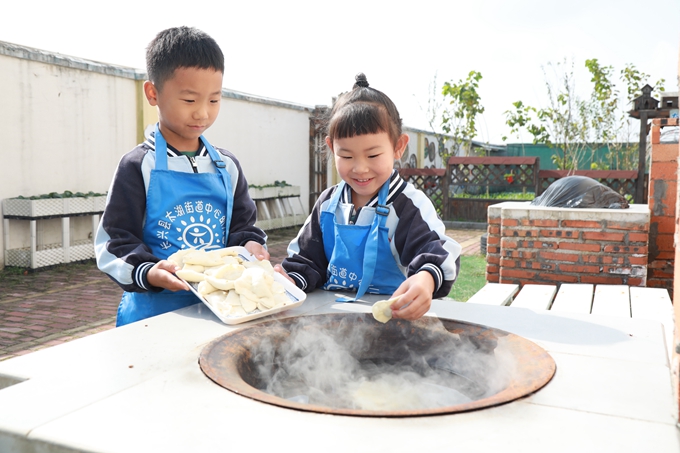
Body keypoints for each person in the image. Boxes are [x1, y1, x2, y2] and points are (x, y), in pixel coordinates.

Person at [95, 26, 268, 326]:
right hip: (152, 315)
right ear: (153, 93)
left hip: (220, 310)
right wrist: (148, 271)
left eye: (213, 100)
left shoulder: (227, 166)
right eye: (189, 100)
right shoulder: (138, 166)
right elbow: (116, 240)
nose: (202, 113)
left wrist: (251, 246)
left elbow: (242, 227)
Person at [277, 73, 461, 321]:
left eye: (373, 155)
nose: (360, 168)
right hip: (332, 320)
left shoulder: (407, 205)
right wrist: (289, 280)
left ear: (398, 146)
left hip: (395, 320)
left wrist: (426, 278)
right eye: (347, 156)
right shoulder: (328, 204)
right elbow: (307, 260)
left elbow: (435, 251)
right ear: (331, 148)